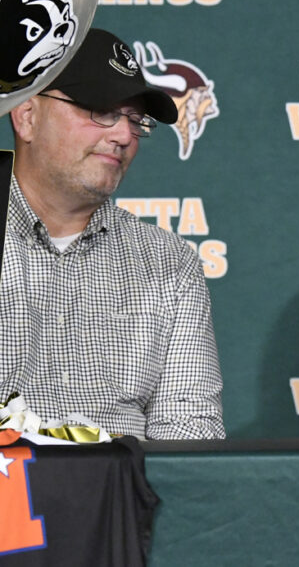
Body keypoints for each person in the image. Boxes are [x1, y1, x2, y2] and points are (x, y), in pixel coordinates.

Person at [0, 27, 225, 439]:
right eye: (101, 110)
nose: (123, 135)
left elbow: (189, 432)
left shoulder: (169, 262)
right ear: (27, 116)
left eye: (135, 120)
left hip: (121, 479)